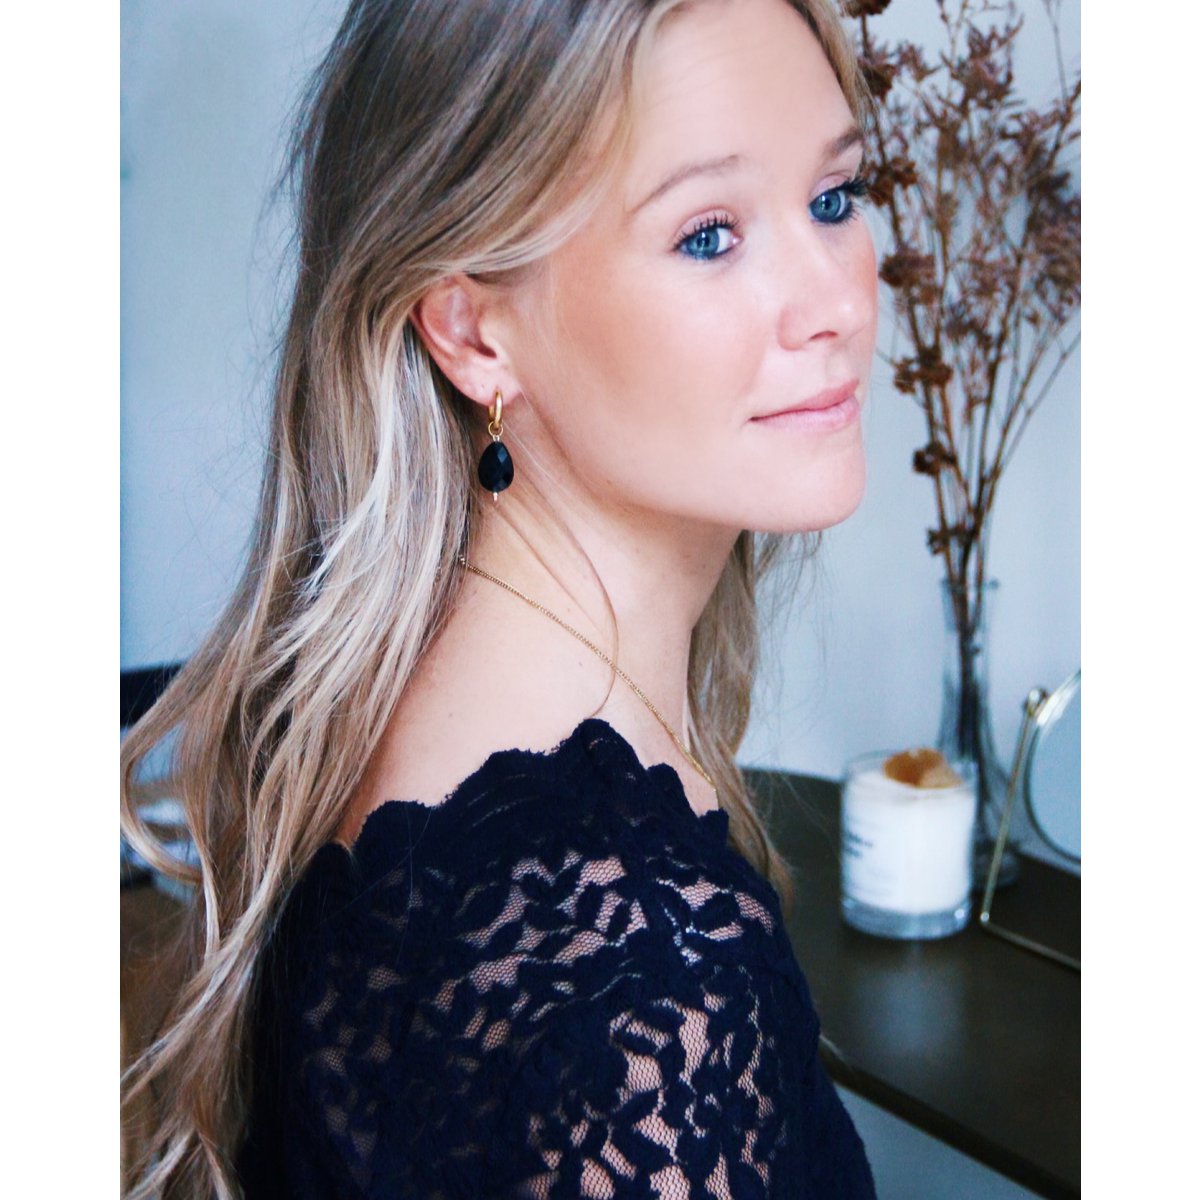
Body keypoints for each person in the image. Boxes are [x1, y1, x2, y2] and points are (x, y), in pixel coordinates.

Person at [120, 0, 880, 1194]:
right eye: (709, 235)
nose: (836, 301)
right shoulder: (643, 989)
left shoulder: (390, 721)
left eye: (834, 198)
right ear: (471, 330)